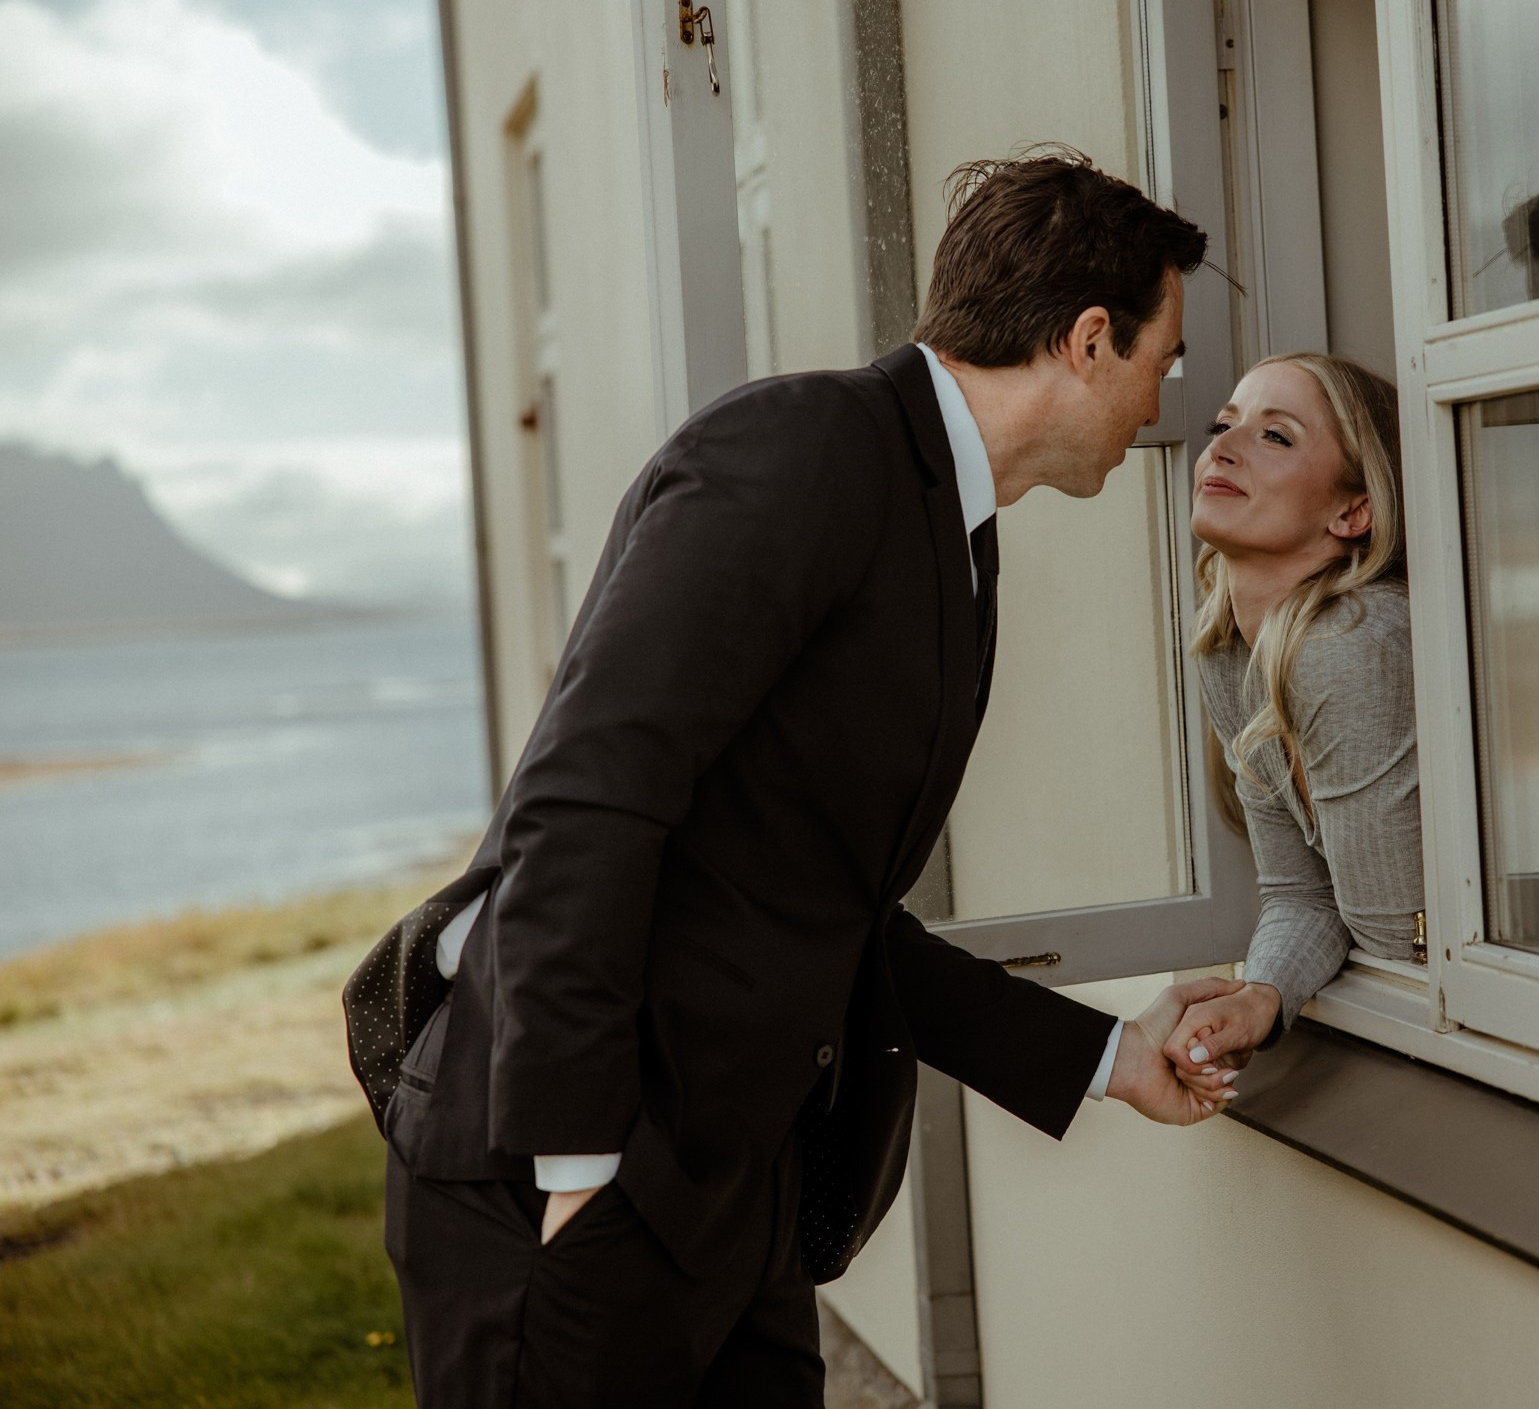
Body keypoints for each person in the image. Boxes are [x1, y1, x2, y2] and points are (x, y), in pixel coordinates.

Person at [367, 150, 1243, 1408]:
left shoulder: (954, 532)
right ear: (1088, 339)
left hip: (728, 1196)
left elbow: (824, 914)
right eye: (1162, 359)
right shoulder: (799, 448)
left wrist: (1107, 1059)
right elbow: (586, 799)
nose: (1163, 402)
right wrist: (573, 1171)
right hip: (576, 1181)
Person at [1161, 353, 1422, 1087]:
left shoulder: (1350, 647)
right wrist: (1261, 997)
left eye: (1276, 436)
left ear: (1352, 512)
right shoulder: (1230, 652)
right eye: (1225, 424)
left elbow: (1401, 945)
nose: (1223, 446)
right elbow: (1302, 893)